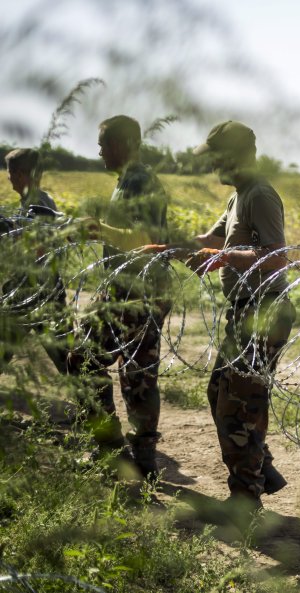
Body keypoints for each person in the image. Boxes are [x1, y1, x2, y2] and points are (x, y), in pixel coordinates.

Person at [189, 120, 295, 516]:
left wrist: (224, 258)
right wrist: (168, 243)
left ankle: (245, 503)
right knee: (222, 393)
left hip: (263, 311)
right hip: (245, 311)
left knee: (238, 407)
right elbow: (212, 240)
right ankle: (261, 470)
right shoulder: (238, 196)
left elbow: (276, 256)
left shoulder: (261, 195)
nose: (213, 163)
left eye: (216, 155)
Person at [65, 115, 171, 480]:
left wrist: (97, 228)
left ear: (123, 145)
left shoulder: (141, 180)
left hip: (141, 290)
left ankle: (142, 460)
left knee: (137, 376)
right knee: (83, 358)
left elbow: (143, 238)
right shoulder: (125, 181)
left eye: (103, 144)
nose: (98, 152)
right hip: (119, 287)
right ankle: (112, 448)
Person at [1, 147, 69, 372]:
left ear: (20, 174)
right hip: (35, 287)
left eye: (9, 173)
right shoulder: (38, 199)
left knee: (64, 353)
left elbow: (40, 248)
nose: (8, 178)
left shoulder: (37, 204)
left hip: (38, 288)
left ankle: (93, 397)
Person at [5, 147, 57, 213]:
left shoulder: (35, 206)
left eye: (10, 173)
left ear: (19, 175)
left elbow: (31, 223)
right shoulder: (47, 199)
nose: (8, 178)